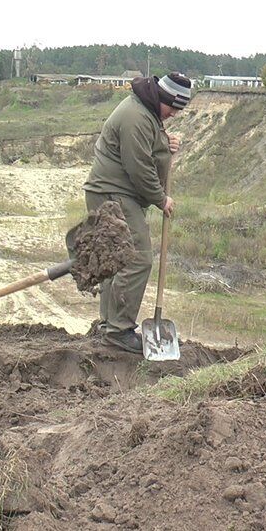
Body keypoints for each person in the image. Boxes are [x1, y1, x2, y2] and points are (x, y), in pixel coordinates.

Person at [82, 73, 191, 353]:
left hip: (109, 191)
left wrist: (165, 143)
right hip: (114, 195)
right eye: (174, 108)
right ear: (164, 99)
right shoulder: (137, 116)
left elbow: (149, 148)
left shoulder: (144, 111)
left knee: (115, 260)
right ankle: (118, 331)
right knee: (137, 259)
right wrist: (160, 199)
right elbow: (139, 167)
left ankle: (109, 325)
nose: (175, 114)